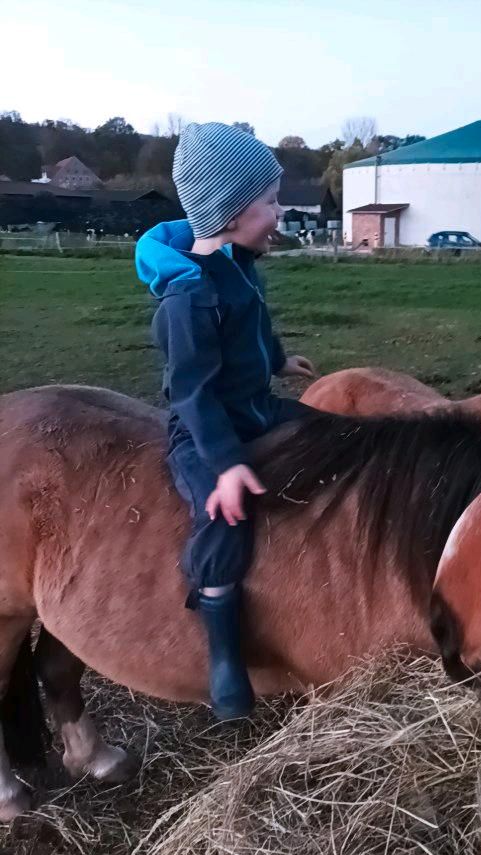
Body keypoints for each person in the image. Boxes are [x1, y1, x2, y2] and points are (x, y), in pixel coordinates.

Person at [136, 122, 316, 719]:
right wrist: (229, 466)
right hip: (206, 431)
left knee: (325, 433)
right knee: (224, 515)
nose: (278, 210)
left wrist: (278, 358)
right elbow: (192, 394)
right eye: (268, 201)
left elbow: (254, 327)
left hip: (256, 407)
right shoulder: (186, 301)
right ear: (233, 212)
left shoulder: (240, 264)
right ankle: (222, 652)